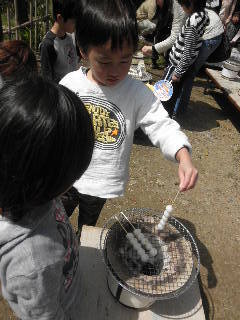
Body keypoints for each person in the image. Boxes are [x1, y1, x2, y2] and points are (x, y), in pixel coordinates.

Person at [60, 0, 198, 229]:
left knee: (87, 229)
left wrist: (183, 156)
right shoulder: (70, 84)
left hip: (100, 184)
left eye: (124, 60)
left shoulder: (136, 93)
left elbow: (161, 124)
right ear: (83, 51)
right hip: (66, 178)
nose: (115, 71)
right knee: (56, 224)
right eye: (104, 61)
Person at [0, 77, 94, 319]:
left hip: (65, 284)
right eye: (73, 174)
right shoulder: (34, 264)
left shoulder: (30, 193)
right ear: (44, 180)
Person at [162, 0, 224, 119]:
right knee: (174, 92)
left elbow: (188, 50)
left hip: (177, 64)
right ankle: (170, 114)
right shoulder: (203, 15)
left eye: (182, 5)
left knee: (165, 94)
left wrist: (178, 72)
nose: (181, 7)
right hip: (184, 64)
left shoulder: (193, 22)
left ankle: (163, 116)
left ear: (190, 4)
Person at [40, 0, 79, 83]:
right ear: (60, 18)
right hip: (62, 92)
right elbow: (48, 79)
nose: (76, 25)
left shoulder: (70, 36)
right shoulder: (48, 44)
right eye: (73, 22)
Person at [141, 0, 186, 65]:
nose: (156, 2)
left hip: (184, 48)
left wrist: (153, 48)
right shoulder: (163, 6)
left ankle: (167, 63)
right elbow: (153, 23)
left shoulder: (178, 5)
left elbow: (174, 38)